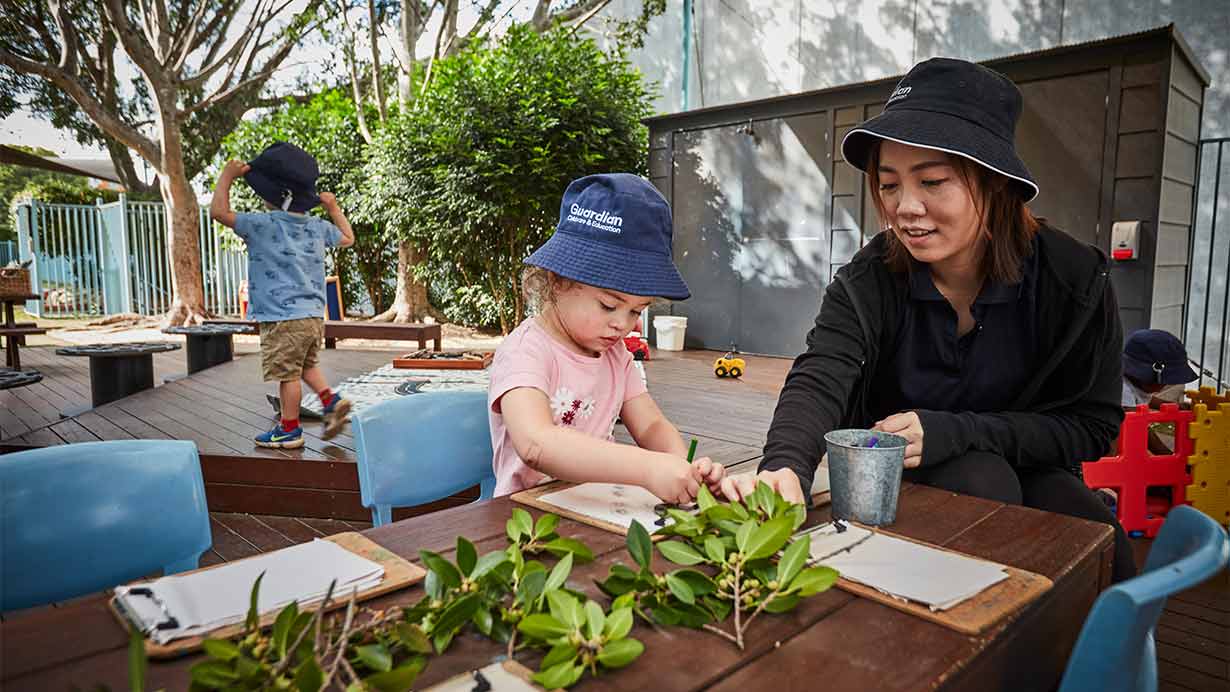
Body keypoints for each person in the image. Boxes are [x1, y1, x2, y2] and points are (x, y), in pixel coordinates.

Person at [719, 58, 1137, 582]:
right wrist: (784, 464)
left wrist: (954, 431)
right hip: (906, 484)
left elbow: (1093, 427)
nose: (904, 208)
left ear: (997, 183)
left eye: (933, 181)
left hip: (1036, 467)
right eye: (889, 184)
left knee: (1105, 551)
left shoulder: (1075, 280)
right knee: (981, 480)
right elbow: (821, 373)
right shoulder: (870, 278)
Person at [488, 173, 724, 503]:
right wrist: (647, 468)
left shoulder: (616, 357)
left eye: (635, 311)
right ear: (558, 281)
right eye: (609, 305)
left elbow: (651, 425)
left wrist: (682, 467)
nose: (621, 325)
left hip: (598, 508)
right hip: (527, 521)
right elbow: (535, 443)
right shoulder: (526, 351)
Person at [209, 141, 355, 448]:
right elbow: (347, 238)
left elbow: (218, 212)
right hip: (314, 315)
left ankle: (290, 429)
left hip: (281, 316)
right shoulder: (317, 226)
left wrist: (227, 176)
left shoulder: (261, 224)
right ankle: (331, 400)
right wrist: (333, 208)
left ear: (272, 195)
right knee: (305, 366)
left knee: (287, 374)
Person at [1121, 329, 1197, 408]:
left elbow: (1148, 400)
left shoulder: (1137, 385)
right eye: (1163, 383)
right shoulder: (1123, 392)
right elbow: (1132, 417)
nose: (1162, 388)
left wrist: (1176, 407)